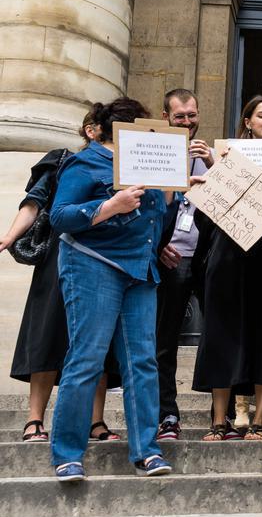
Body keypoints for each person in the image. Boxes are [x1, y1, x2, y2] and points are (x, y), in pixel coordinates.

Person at [48, 97, 172, 481]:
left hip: (139, 269)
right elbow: (60, 216)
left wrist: (171, 195)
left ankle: (147, 450)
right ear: (120, 130)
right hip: (91, 262)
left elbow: (157, 225)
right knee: (87, 356)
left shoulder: (151, 165)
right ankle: (67, 452)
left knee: (142, 361)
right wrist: (110, 205)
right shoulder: (86, 162)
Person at [2, 111, 120, 443]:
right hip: (60, 253)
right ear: (91, 130)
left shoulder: (123, 166)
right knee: (46, 331)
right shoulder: (62, 161)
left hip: (104, 254)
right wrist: (10, 236)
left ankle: (95, 421)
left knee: (98, 339)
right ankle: (34, 419)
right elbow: (34, 203)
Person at [193, 95, 262, 441]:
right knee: (221, 335)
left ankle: (261, 421)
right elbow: (204, 219)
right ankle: (219, 420)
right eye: (261, 114)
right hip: (227, 258)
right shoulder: (223, 162)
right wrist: (205, 187)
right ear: (246, 122)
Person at [154, 89, 214, 441]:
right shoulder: (155, 153)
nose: (188, 122)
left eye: (192, 115)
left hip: (206, 258)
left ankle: (222, 415)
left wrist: (214, 163)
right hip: (170, 257)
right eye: (180, 117)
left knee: (220, 335)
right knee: (163, 341)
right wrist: (159, 245)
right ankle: (167, 415)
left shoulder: (213, 154)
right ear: (166, 118)